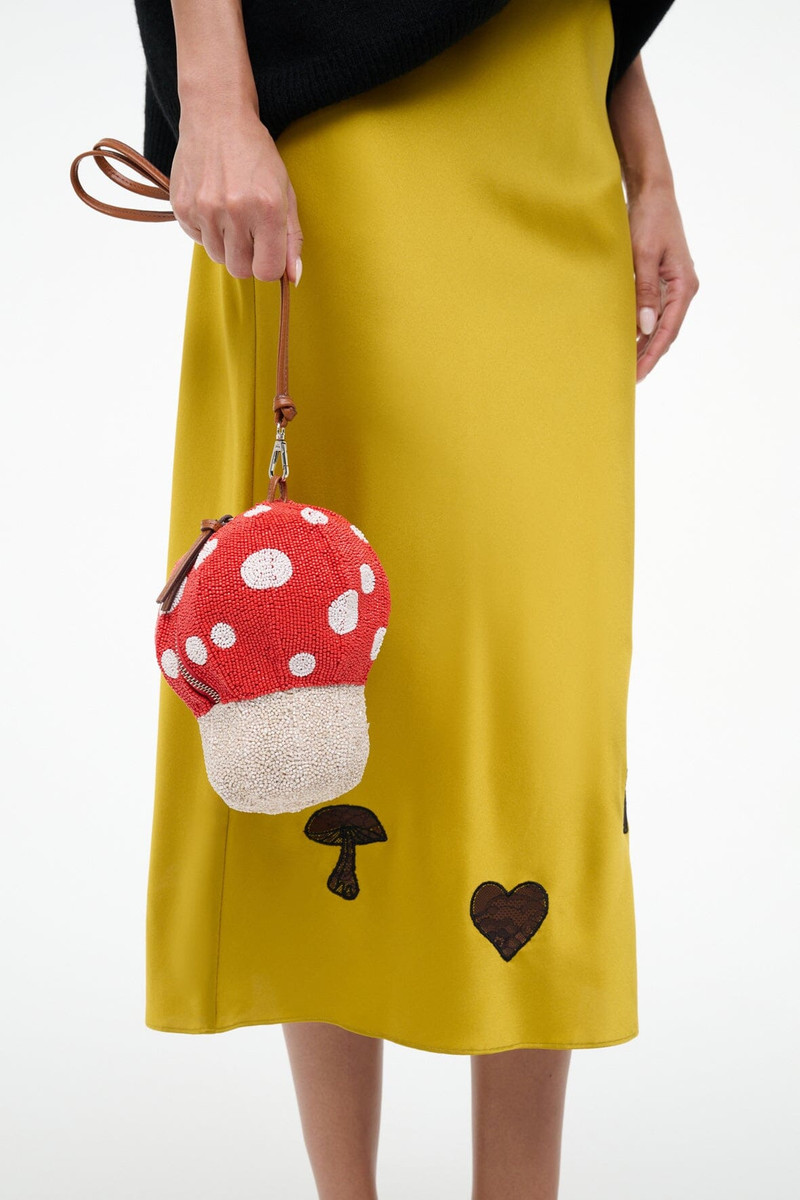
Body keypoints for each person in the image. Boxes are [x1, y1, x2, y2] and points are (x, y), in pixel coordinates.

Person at [138, 1, 699, 1197]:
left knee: (537, 698)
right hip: (351, 139)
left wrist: (643, 157)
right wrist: (215, 99)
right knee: (319, 651)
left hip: (558, 130)